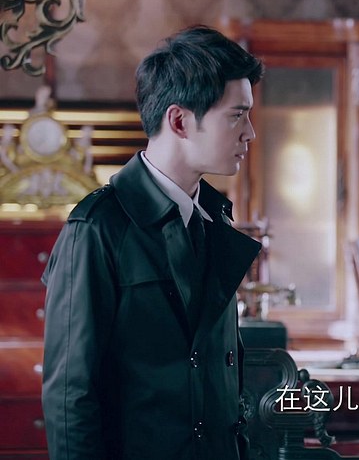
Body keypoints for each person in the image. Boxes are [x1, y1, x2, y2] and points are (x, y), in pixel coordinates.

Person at [41, 25, 264, 460]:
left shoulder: (214, 217)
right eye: (236, 115)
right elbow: (70, 397)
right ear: (179, 121)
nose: (250, 132)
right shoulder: (97, 227)